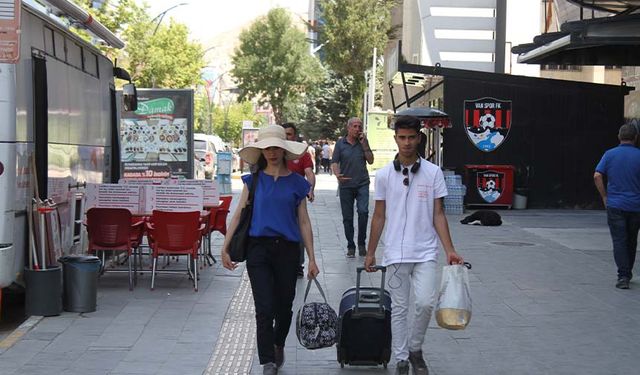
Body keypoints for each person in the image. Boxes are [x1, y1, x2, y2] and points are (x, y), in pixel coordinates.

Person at [363, 115, 463, 375]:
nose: (406, 143)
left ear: (419, 138)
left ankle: (415, 348)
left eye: (411, 137)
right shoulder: (384, 175)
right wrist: (371, 251)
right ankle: (401, 358)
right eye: (402, 138)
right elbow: (379, 215)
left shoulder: (432, 173)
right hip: (395, 252)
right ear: (395, 138)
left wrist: (449, 249)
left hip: (426, 251)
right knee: (399, 308)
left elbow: (438, 214)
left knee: (426, 303)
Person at [221, 125, 320, 375]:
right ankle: (267, 360)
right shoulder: (252, 181)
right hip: (258, 250)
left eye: (276, 147)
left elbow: (304, 221)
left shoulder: (297, 184)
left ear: (284, 150)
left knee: (284, 305)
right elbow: (238, 215)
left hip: (288, 250)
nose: (272, 152)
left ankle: (278, 343)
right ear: (261, 152)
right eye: (267, 148)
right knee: (264, 308)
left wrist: (312, 258)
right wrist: (225, 247)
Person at [594, 123, 640, 290]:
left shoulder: (610, 154)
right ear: (635, 138)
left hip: (615, 205)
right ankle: (627, 272)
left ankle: (623, 276)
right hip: (636, 206)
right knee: (632, 239)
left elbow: (597, 175)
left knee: (619, 240)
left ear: (619, 137)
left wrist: (605, 197)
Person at [331, 117, 374, 257]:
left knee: (363, 212)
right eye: (354, 126)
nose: (357, 129)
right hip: (346, 185)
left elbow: (371, 160)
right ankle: (351, 245)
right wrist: (338, 175)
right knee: (347, 217)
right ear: (348, 128)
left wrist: (365, 145)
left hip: (362, 183)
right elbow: (334, 162)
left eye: (359, 126)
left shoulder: (363, 143)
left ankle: (362, 243)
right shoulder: (340, 143)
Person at [282, 122, 316, 278]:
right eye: (284, 134)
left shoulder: (302, 154)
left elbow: (309, 173)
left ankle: (298, 264)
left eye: (289, 134)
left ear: (294, 136)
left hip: (296, 198)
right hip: (277, 199)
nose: (286, 137)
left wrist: (310, 189)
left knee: (300, 229)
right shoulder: (275, 153)